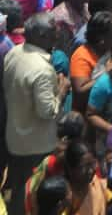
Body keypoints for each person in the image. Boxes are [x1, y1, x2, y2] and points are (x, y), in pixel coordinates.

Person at [3, 13, 70, 215]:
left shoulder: (14, 53)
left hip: (15, 137)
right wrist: (62, 90)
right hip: (36, 145)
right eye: (53, 29)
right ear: (41, 35)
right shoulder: (42, 69)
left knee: (17, 189)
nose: (57, 31)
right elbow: (47, 111)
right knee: (31, 195)